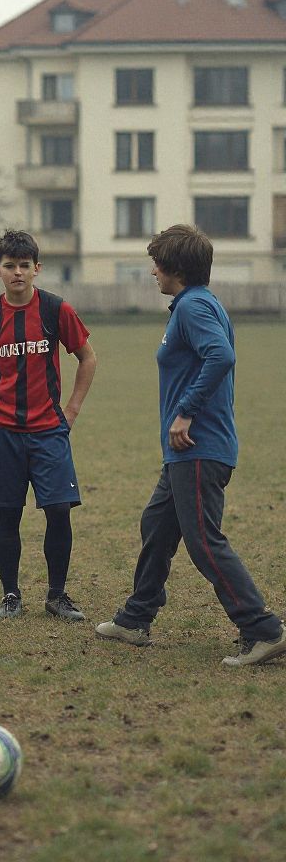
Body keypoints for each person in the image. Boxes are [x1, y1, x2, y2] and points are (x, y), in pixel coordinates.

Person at [96, 224, 286, 666]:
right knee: (157, 526)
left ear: (174, 268)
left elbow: (221, 355)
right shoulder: (196, 303)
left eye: (156, 264)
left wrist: (185, 411)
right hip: (188, 451)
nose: (152, 273)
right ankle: (135, 618)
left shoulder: (194, 307)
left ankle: (263, 629)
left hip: (199, 446)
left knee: (203, 540)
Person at [0, 230, 97, 621]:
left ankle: (56, 595)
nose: (17, 273)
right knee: (7, 515)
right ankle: (10, 594)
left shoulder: (55, 310)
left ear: (36, 269)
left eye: (24, 266)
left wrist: (72, 410)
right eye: (9, 266)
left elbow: (87, 357)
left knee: (59, 512)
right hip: (2, 432)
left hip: (50, 431)